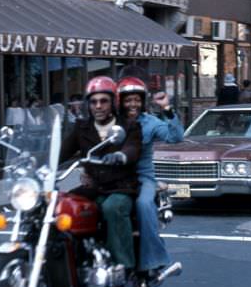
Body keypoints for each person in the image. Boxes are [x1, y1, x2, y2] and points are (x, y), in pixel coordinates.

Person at [60, 76, 142, 270]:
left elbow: (133, 148)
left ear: (113, 102)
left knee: (112, 208)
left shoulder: (128, 125)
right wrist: (37, 160)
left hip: (121, 187)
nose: (98, 106)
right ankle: (71, 263)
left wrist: (121, 155)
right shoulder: (82, 127)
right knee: (62, 205)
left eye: (103, 101)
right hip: (94, 187)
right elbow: (62, 152)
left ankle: (123, 266)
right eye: (93, 102)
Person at [117, 70, 184, 274]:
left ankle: (155, 259)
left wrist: (166, 108)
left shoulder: (151, 122)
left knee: (144, 204)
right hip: (115, 177)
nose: (133, 104)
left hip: (142, 177)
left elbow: (175, 137)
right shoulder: (112, 122)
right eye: (128, 100)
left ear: (143, 101)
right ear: (120, 101)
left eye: (137, 100)